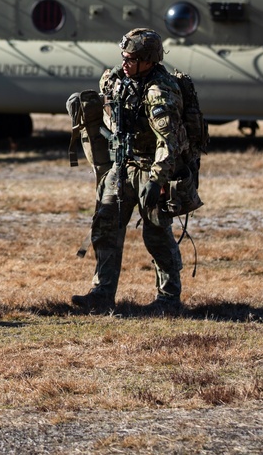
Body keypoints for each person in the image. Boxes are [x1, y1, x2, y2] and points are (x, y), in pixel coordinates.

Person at [71, 28, 189, 316]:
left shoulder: (160, 92)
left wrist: (157, 179)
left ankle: (168, 299)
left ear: (148, 61)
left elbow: (169, 143)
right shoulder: (117, 79)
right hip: (123, 164)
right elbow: (109, 115)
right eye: (124, 56)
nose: (125, 62)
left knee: (157, 234)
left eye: (132, 58)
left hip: (153, 168)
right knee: (105, 225)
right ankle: (101, 294)